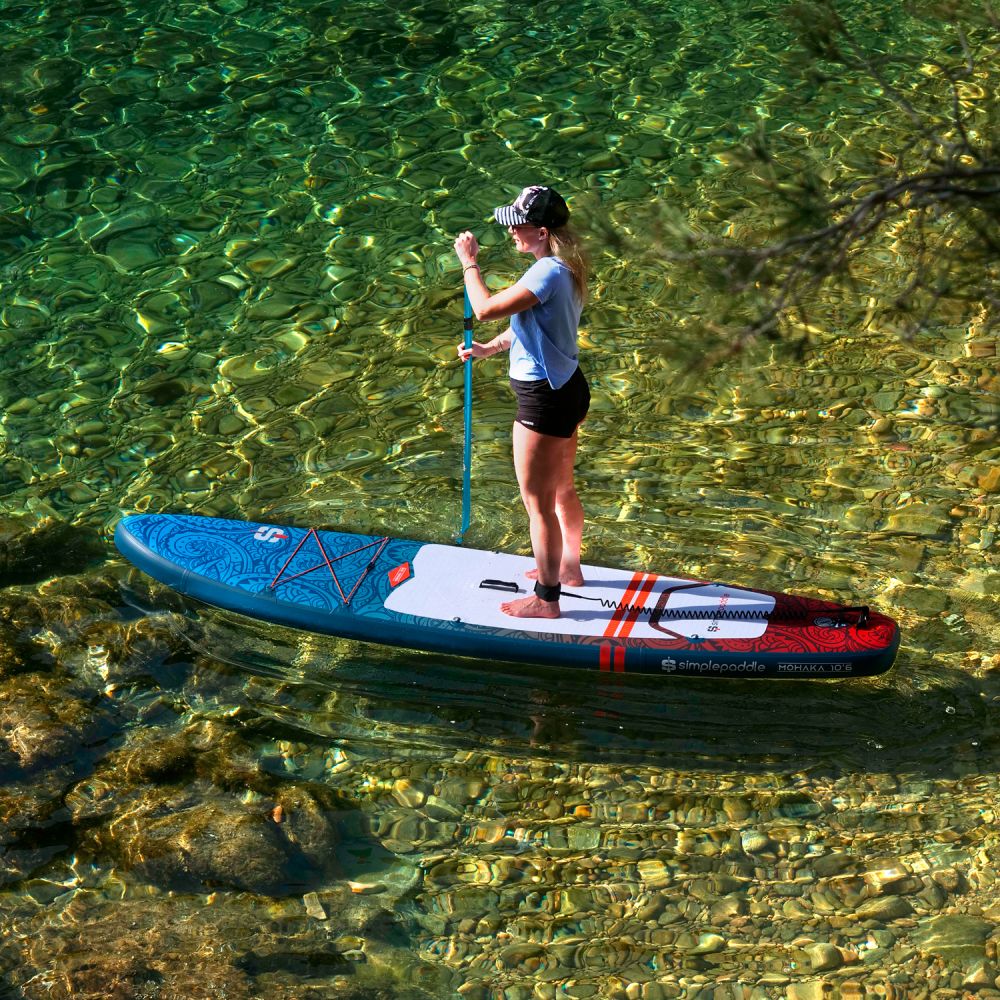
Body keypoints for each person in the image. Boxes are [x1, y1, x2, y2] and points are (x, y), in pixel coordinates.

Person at [454, 185, 590, 620]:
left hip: (543, 401)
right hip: (567, 389)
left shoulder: (545, 273)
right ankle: (569, 568)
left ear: (541, 230)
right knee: (562, 489)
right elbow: (530, 326)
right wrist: (490, 350)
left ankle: (546, 600)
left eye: (517, 224)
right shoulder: (564, 269)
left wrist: (469, 263)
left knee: (538, 505)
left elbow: (485, 308)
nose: (510, 231)